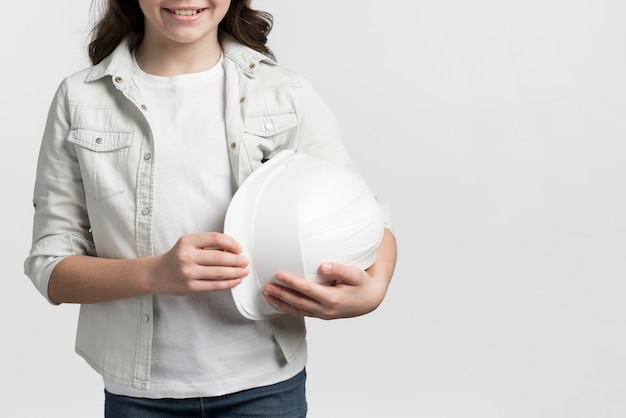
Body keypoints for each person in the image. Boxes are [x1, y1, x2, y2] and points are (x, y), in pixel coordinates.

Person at [24, 0, 397, 416]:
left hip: (265, 387)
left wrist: (374, 289)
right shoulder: (80, 99)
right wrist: (153, 273)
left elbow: (366, 213)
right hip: (140, 398)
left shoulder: (284, 92)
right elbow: (51, 264)